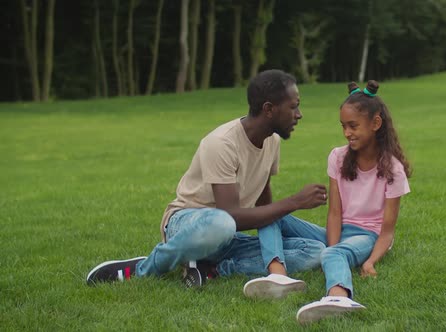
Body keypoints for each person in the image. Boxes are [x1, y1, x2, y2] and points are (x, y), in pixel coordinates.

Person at [86, 69, 328, 299]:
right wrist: (295, 201)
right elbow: (230, 215)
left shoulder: (272, 141)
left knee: (314, 251)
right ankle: (144, 268)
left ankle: (211, 268)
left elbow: (264, 205)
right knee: (221, 223)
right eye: (293, 107)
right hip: (191, 224)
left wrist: (276, 249)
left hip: (227, 237)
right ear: (268, 109)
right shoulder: (222, 143)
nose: (299, 114)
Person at [256, 80, 411, 323]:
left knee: (333, 255)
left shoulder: (393, 169)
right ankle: (279, 276)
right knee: (270, 213)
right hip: (338, 230)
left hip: (367, 236)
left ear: (376, 124)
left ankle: (339, 297)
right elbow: (335, 213)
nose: (347, 132)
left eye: (353, 126)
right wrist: (332, 245)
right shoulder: (337, 158)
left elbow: (387, 231)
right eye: (343, 126)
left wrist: (370, 261)